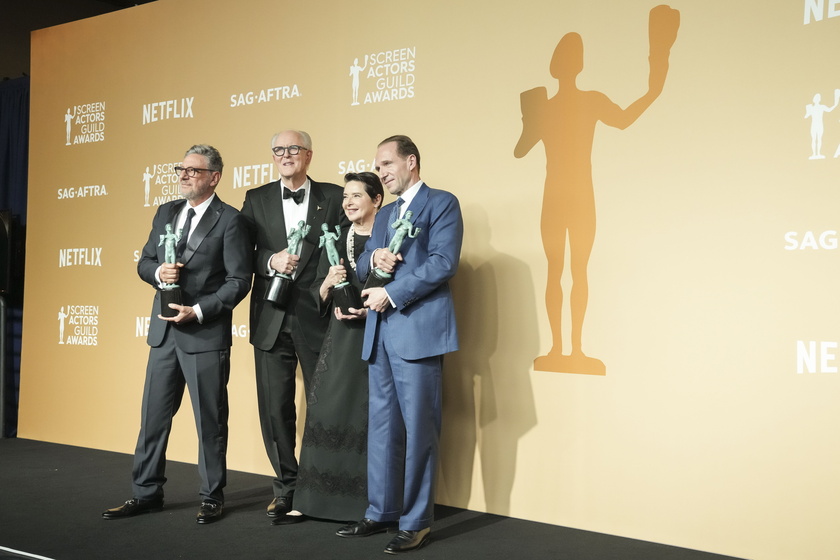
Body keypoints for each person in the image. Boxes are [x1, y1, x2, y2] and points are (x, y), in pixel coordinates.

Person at [514, 5, 679, 374]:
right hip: (566, 197)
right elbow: (522, 147)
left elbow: (523, 147)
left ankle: (570, 350)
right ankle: (562, 350)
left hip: (568, 196)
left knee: (571, 270)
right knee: (565, 270)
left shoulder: (580, 102)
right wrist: (530, 118)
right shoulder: (564, 103)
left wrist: (656, 81)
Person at [102, 144, 252, 524]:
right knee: (152, 419)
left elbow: (239, 281)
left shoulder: (230, 220)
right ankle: (146, 492)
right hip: (163, 335)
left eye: (193, 170)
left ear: (214, 177)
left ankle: (211, 497)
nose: (183, 175)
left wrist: (199, 310)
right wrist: (157, 274)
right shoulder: (166, 211)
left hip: (203, 334)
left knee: (210, 423)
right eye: (180, 169)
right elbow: (145, 261)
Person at [336, 136, 463, 554]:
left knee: (419, 429)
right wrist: (373, 261)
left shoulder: (442, 203)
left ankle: (415, 521)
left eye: (388, 163)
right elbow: (361, 263)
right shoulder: (386, 212)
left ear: (411, 161)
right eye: (378, 165)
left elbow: (444, 262)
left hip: (418, 332)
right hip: (380, 332)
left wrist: (392, 292)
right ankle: (380, 511)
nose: (383, 171)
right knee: (383, 427)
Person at [240, 130, 346, 524]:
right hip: (270, 318)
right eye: (279, 150)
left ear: (309, 155)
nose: (285, 156)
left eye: (293, 149)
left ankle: (321, 487)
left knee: (326, 404)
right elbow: (239, 255)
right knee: (275, 408)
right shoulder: (256, 199)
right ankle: (286, 487)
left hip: (317, 315)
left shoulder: (335, 197)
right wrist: (270, 260)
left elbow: (346, 251)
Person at [294, 172, 384, 522]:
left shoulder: (388, 237)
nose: (347, 202)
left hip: (378, 334)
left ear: (376, 200)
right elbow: (315, 293)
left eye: (356, 195)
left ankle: (369, 505)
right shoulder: (336, 237)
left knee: (370, 414)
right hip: (341, 337)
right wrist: (328, 284)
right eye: (345, 196)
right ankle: (313, 501)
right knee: (327, 408)